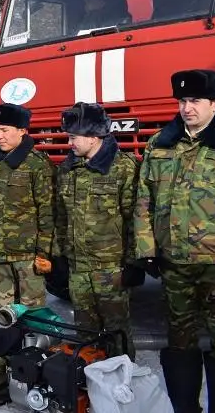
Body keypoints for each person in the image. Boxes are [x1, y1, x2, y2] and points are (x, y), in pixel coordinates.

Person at [134, 69, 215, 412]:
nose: (187, 108)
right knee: (180, 343)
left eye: (195, 101)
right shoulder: (161, 143)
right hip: (175, 265)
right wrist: (147, 251)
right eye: (183, 101)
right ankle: (185, 407)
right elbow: (144, 201)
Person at [55, 102, 138, 359]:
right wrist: (59, 255)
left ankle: (124, 383)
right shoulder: (68, 170)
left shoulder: (123, 167)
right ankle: (91, 382)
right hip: (78, 268)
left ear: (94, 137)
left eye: (74, 137)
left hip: (110, 268)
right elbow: (61, 216)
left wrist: (135, 263)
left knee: (117, 333)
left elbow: (136, 218)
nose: (70, 143)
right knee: (85, 334)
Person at [0, 103, 55, 308]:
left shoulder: (36, 163)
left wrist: (43, 253)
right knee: (5, 310)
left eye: (5, 130)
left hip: (28, 255)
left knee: (32, 310)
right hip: (0, 253)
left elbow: (47, 211)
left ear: (21, 131)